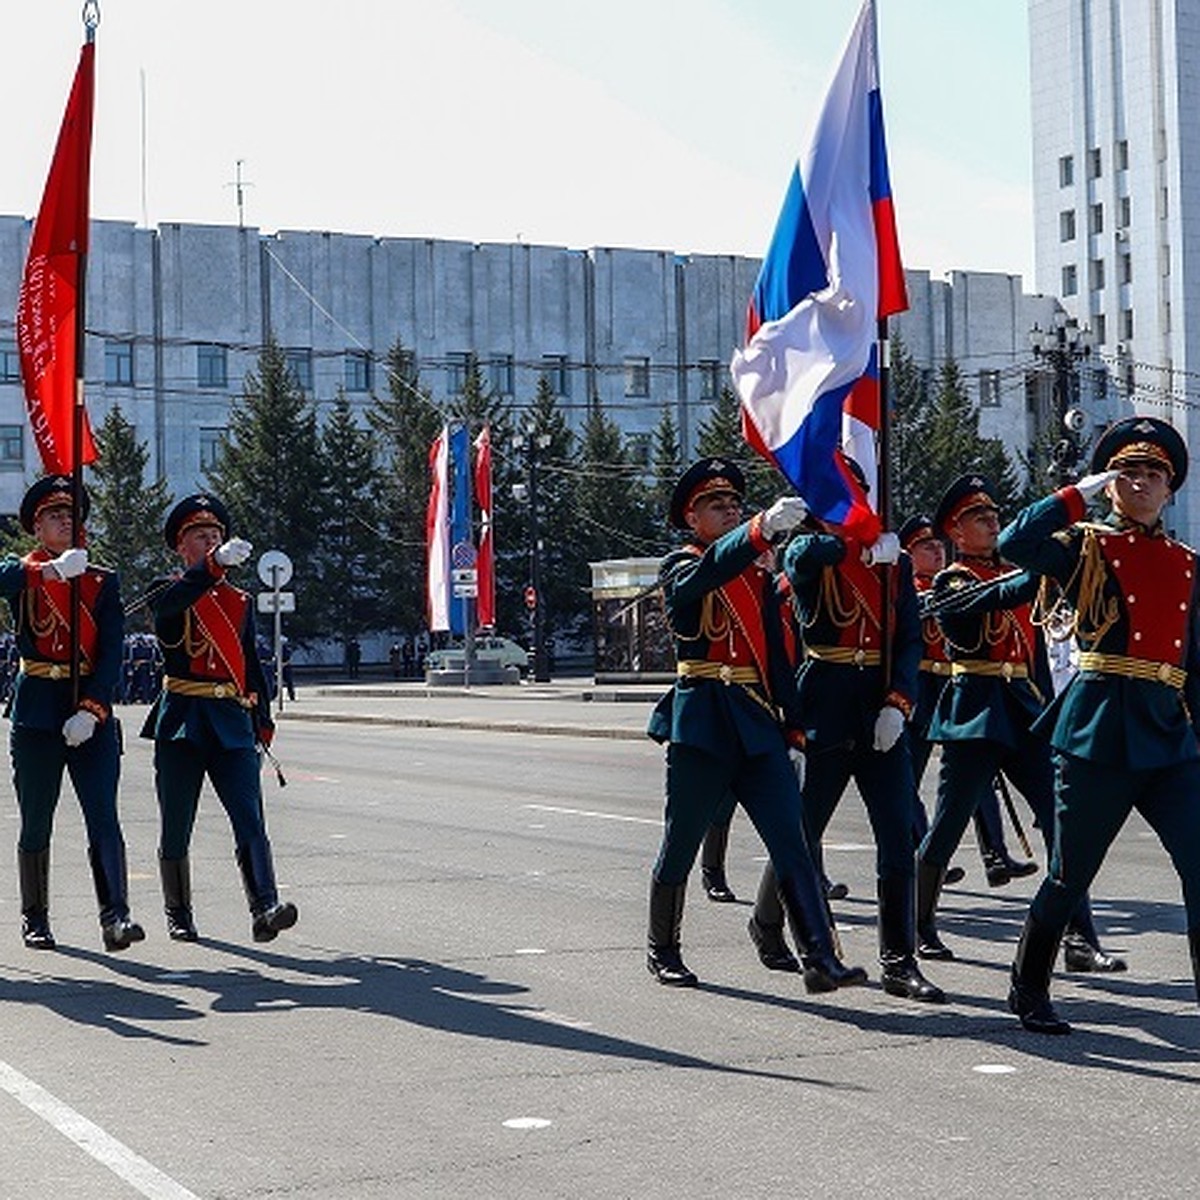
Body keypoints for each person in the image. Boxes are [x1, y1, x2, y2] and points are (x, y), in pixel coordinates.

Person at [1000, 417, 1200, 1033]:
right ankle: (1028, 986)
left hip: (1169, 732)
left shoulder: (1188, 563)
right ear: (1109, 485)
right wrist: (1071, 496)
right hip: (1099, 730)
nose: (1140, 481)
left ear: (1171, 488)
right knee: (1070, 872)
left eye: (1153, 473)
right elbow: (1013, 544)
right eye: (1127, 472)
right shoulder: (1082, 544)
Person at [646, 457, 866, 993]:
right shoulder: (682, 565)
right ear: (691, 519)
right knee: (681, 842)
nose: (728, 511)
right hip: (703, 720)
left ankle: (819, 955)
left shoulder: (757, 574)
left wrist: (793, 729)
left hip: (759, 721)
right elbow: (708, 573)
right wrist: (756, 530)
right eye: (715, 506)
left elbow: (777, 656)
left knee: (792, 840)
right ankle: (663, 948)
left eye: (734, 505)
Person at [750, 471, 945, 1004]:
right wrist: (852, 541)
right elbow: (803, 562)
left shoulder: (894, 562)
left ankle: (900, 963)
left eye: (856, 492)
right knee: (802, 830)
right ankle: (770, 922)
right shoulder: (813, 548)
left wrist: (899, 702)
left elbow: (908, 639)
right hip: (825, 703)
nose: (850, 501)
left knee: (898, 837)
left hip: (878, 706)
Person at [916, 474, 1122, 974]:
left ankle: (1080, 937)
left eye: (993, 516)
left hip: (1022, 708)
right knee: (946, 826)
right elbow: (993, 608)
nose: (992, 524)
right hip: (978, 711)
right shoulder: (954, 581)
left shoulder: (1013, 572)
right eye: (979, 519)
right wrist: (1052, 560)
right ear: (957, 534)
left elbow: (1035, 656)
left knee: (1060, 822)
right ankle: (916, 925)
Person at [141, 494, 298, 944]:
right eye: (201, 537)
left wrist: (261, 722)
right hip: (183, 719)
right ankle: (179, 911)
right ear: (181, 547)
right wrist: (209, 568)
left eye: (217, 536)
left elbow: (250, 664)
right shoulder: (165, 588)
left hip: (230, 718)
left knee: (250, 818)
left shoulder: (239, 600)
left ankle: (265, 906)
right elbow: (170, 610)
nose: (212, 542)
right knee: (177, 822)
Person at [0, 476, 144, 951]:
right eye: (55, 516)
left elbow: (110, 651)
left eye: (72, 515)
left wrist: (92, 708)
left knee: (103, 814)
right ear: (37, 529)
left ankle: (116, 916)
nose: (66, 521)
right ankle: (35, 916)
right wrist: (50, 573)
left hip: (89, 711)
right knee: (36, 817)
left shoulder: (100, 579)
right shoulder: (23, 573)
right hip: (38, 710)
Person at [898, 514, 1026, 888]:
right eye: (925, 547)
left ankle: (995, 853)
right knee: (906, 777)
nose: (936, 551)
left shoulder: (967, 581)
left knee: (979, 777)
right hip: (921, 687)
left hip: (951, 681)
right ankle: (923, 849)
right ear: (908, 554)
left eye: (938, 545)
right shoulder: (910, 589)